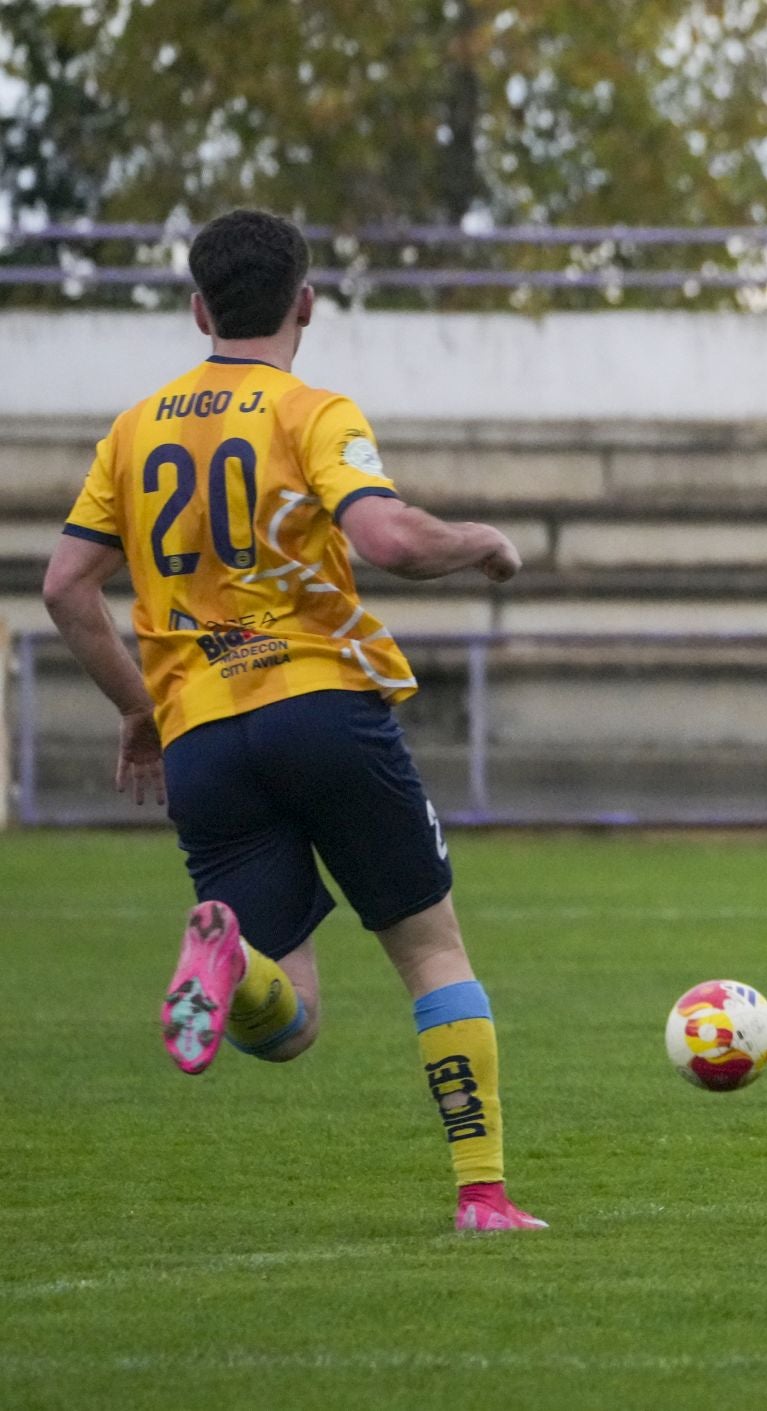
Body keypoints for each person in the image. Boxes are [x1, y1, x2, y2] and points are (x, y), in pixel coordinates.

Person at [40, 208, 546, 1233]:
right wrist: (482, 542)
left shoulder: (135, 430)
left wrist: (139, 708)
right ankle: (483, 1195)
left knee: (291, 1021)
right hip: (318, 703)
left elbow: (63, 588)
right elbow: (390, 539)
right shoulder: (310, 412)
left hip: (201, 736)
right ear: (305, 303)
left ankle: (229, 956)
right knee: (432, 954)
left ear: (198, 308)